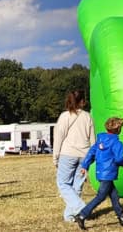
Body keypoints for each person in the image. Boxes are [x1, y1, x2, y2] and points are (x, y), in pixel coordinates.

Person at [75, 117, 123, 229]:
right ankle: (82, 215)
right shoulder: (116, 143)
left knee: (114, 195)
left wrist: (85, 165)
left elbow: (91, 152)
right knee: (100, 196)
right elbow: (119, 159)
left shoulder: (100, 140)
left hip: (101, 172)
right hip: (108, 173)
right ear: (118, 129)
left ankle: (122, 216)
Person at [53, 90, 96, 223]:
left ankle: (81, 208)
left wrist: (55, 156)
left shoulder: (65, 116)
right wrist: (92, 156)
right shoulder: (88, 116)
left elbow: (58, 137)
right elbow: (92, 138)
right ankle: (70, 216)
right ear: (82, 101)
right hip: (84, 155)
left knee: (63, 183)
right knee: (77, 186)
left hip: (67, 154)